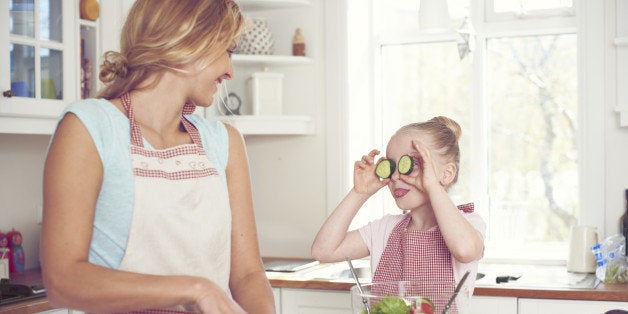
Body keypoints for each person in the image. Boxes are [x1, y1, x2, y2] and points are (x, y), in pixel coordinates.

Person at [40, 1, 274, 313]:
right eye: (228, 51)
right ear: (190, 41)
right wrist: (194, 289)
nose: (230, 70)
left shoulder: (224, 142)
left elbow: (247, 275)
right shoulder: (90, 128)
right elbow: (62, 281)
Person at [311, 116, 486, 310]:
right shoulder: (384, 229)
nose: (395, 176)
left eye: (412, 164)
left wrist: (432, 185)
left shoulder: (468, 223)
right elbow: (323, 251)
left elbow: (465, 250)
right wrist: (359, 193)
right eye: (392, 166)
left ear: (446, 174)